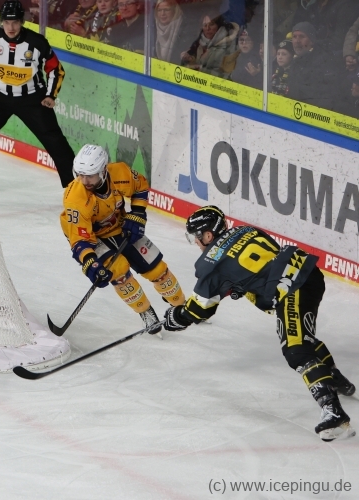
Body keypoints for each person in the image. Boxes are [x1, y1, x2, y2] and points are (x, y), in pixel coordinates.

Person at [163, 206, 356, 442]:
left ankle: (333, 412)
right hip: (307, 271)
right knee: (299, 334)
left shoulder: (210, 263)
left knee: (296, 349)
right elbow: (263, 265)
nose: (195, 242)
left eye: (196, 236)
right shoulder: (245, 230)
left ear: (208, 235)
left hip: (292, 290)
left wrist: (177, 317)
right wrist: (239, 285)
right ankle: (334, 378)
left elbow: (200, 309)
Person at [60, 145, 186, 333]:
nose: (84, 181)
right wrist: (89, 262)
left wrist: (137, 213)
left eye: (90, 175)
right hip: (93, 237)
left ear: (103, 170)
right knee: (118, 272)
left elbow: (140, 186)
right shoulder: (75, 199)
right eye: (80, 175)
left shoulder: (120, 172)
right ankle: (144, 311)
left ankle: (183, 307)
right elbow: (79, 238)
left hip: (120, 226)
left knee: (157, 269)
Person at [0, 0, 76, 188]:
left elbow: (56, 69)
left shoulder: (37, 43)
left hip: (32, 99)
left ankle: (76, 188)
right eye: (6, 22)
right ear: (1, 21)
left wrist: (50, 95)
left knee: (55, 141)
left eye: (15, 22)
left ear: (22, 22)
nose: (10, 27)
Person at [288, 22, 336, 110]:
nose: (297, 41)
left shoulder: (323, 62)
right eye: (294, 37)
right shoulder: (294, 62)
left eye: (302, 36)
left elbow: (326, 97)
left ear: (312, 41)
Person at [181, 13, 240, 79]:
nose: (207, 28)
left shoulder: (228, 46)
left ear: (219, 26)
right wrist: (190, 60)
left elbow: (226, 76)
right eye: (205, 25)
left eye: (211, 24)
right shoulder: (199, 44)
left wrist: (199, 69)